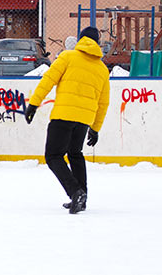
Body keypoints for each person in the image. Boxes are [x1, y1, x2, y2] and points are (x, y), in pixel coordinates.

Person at [24, 26, 110, 214]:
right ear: (97, 43)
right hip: (84, 119)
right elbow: (104, 103)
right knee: (75, 154)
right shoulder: (102, 69)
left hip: (64, 115)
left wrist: (33, 104)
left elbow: (48, 80)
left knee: (53, 156)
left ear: (80, 39)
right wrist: (95, 128)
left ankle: (75, 192)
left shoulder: (68, 57)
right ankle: (82, 197)